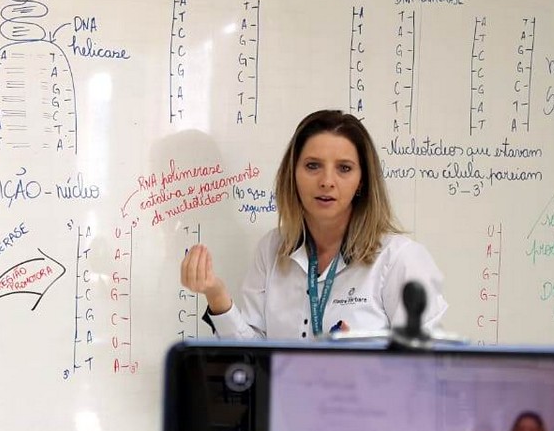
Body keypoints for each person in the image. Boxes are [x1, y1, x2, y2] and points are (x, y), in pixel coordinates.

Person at [180, 109, 447, 339]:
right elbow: (252, 359)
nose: (327, 181)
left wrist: (361, 362)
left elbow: (423, 367)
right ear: (293, 174)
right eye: (312, 166)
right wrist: (216, 294)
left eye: (344, 168)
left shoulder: (400, 260)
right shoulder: (272, 249)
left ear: (362, 181)